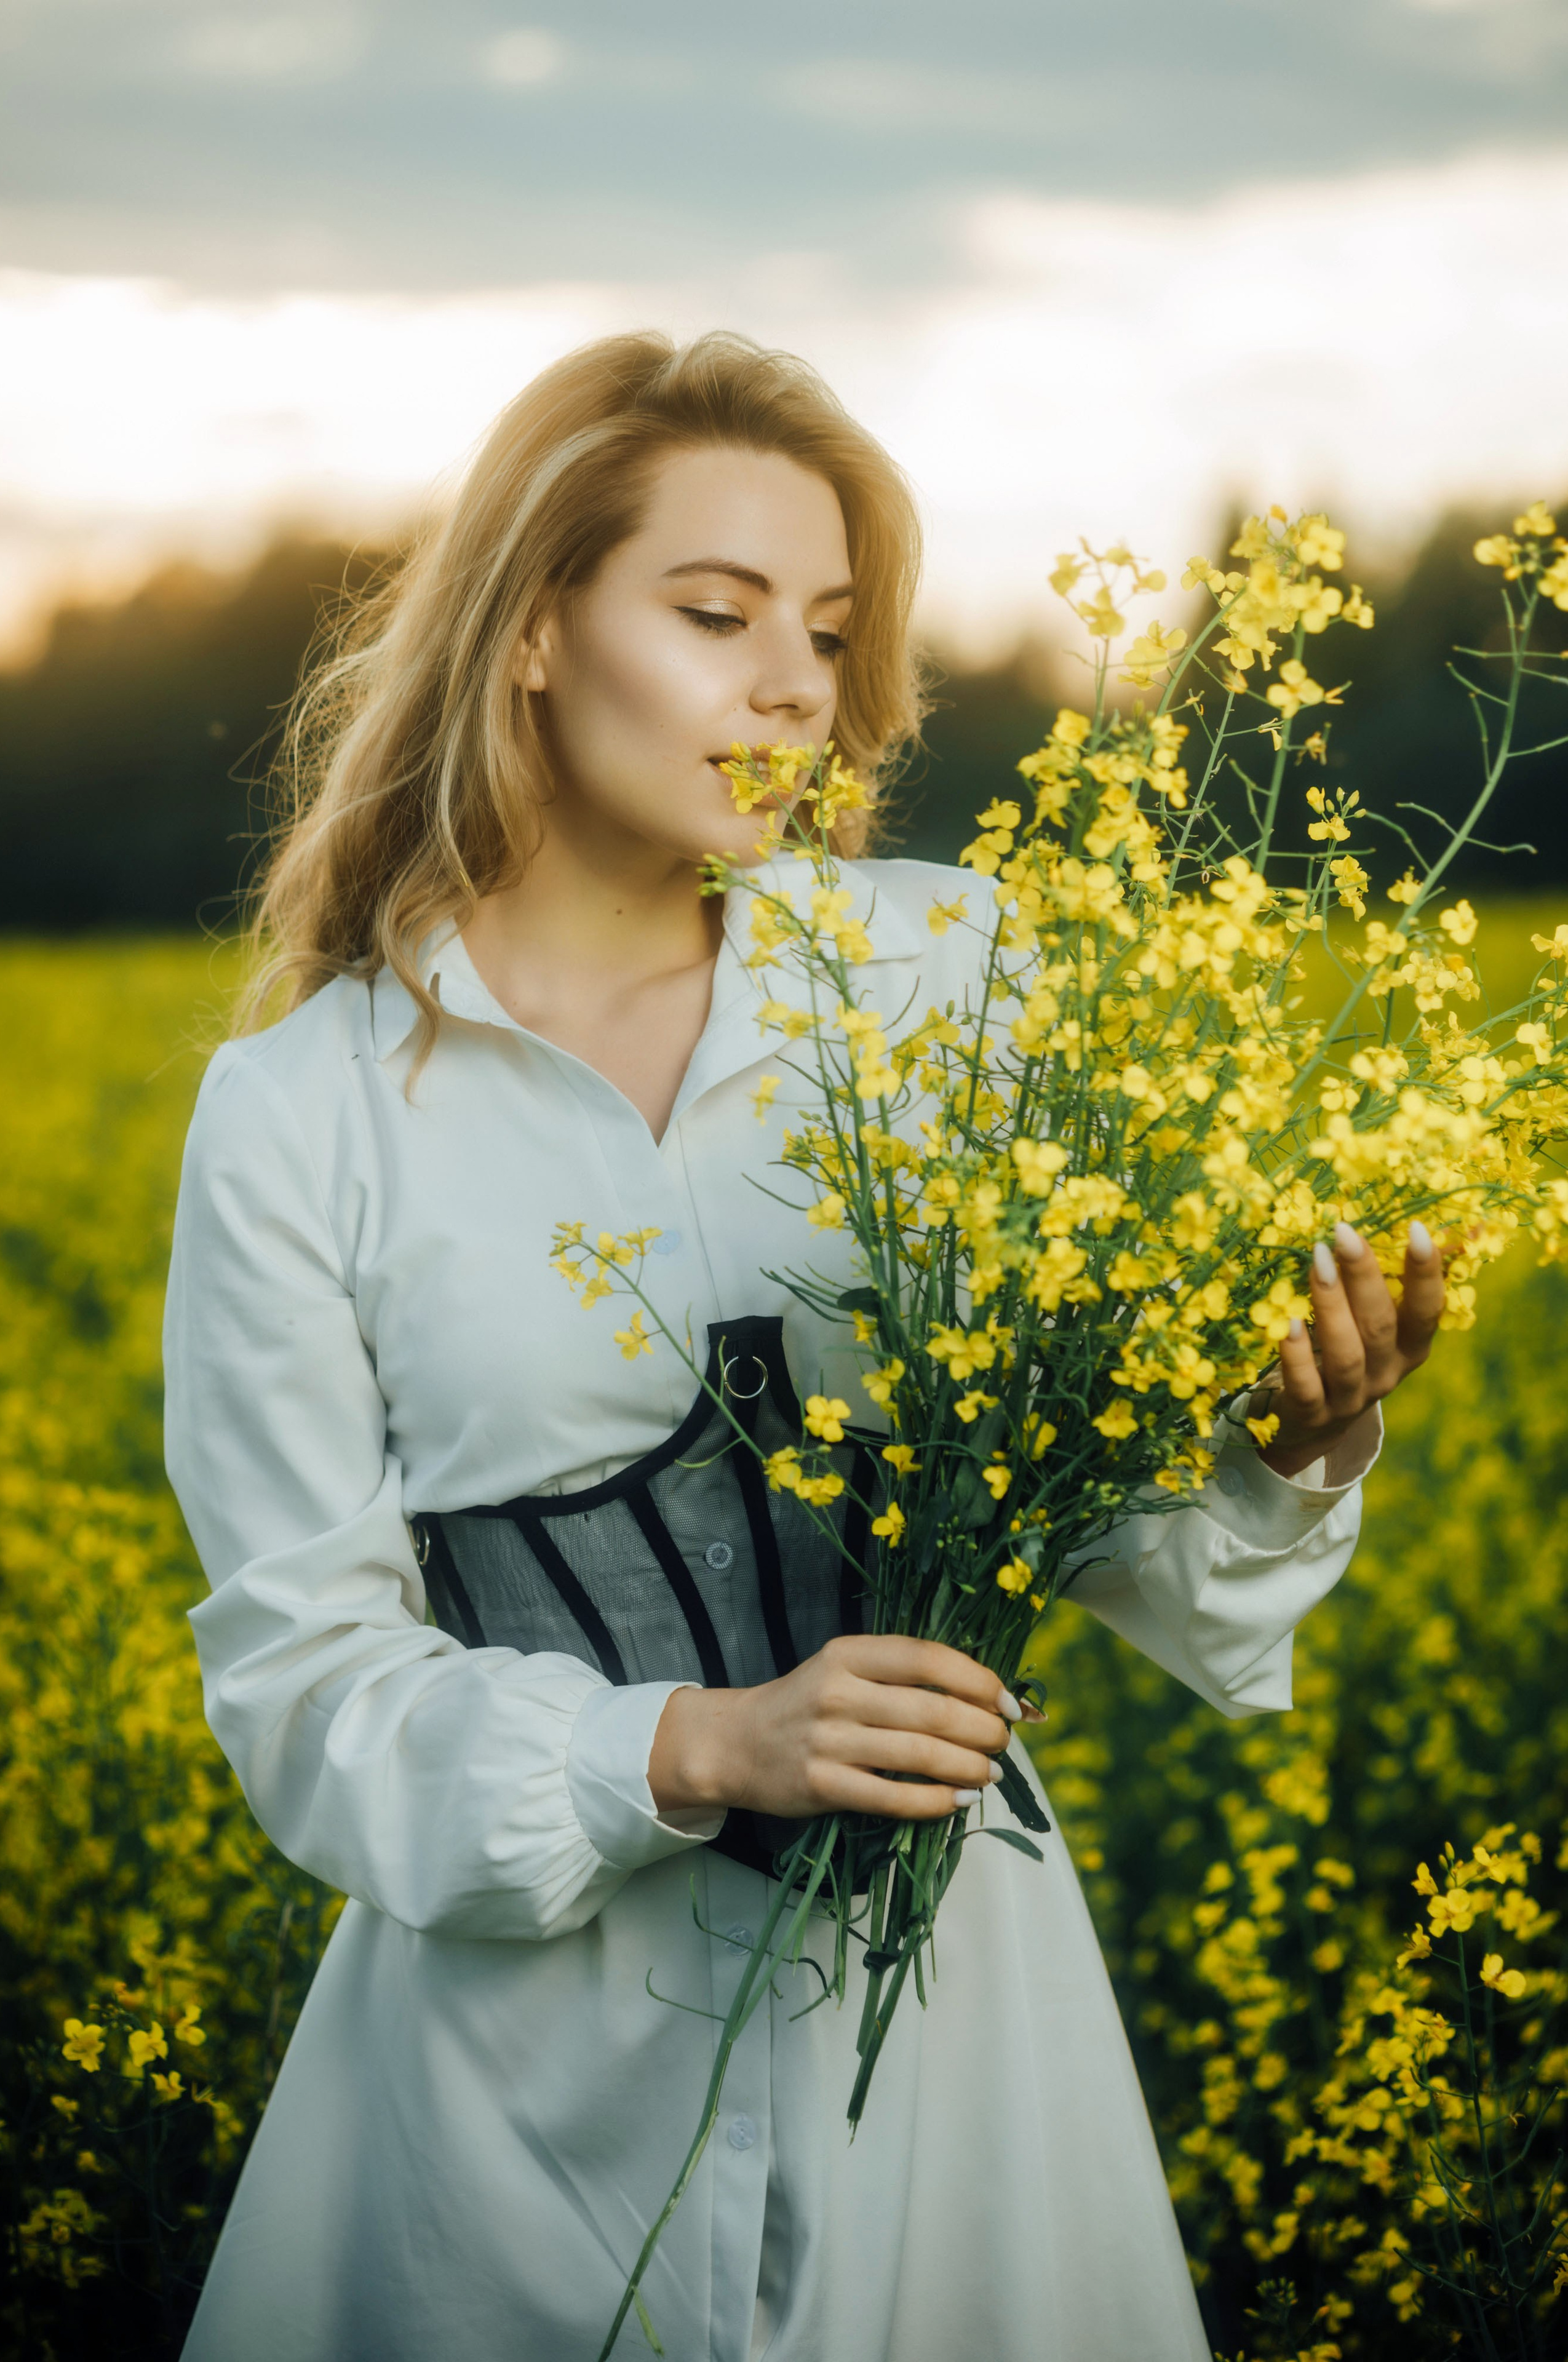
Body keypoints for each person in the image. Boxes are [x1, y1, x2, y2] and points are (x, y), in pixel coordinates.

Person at [162, 330, 1444, 2362]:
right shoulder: (303, 1111)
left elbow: (1115, 1548)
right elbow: (306, 1693)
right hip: (509, 2090)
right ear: (531, 631)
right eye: (714, 611)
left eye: (834, 633)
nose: (796, 686)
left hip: (955, 2043)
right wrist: (689, 1745)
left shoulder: (950, 975)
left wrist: (1288, 1451)